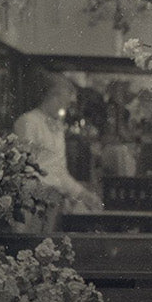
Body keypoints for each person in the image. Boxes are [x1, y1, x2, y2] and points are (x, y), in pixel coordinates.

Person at [14, 72, 103, 221]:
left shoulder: (57, 126)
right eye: (66, 102)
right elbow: (25, 169)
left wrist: (83, 194)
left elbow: (60, 172)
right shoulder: (28, 122)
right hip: (32, 206)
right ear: (54, 96)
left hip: (53, 202)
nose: (67, 108)